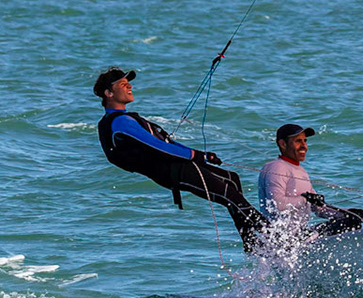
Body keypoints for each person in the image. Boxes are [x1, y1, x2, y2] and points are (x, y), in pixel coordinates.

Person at [93, 67, 268, 250]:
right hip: (173, 171)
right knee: (229, 196)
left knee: (232, 179)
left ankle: (252, 242)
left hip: (179, 165)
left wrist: (200, 155)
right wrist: (195, 155)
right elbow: (157, 146)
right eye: (123, 84)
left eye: (128, 83)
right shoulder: (119, 122)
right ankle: (272, 234)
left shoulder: (125, 119)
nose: (129, 86)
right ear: (109, 93)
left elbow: (168, 143)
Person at [256, 123, 363, 236]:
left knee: (351, 221)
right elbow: (278, 205)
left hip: (300, 236)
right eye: (298, 141)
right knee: (349, 224)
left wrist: (349, 213)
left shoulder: (301, 171)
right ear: (283, 144)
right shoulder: (277, 167)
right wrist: (305, 199)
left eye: (305, 141)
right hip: (282, 239)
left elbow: (319, 209)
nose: (304, 146)